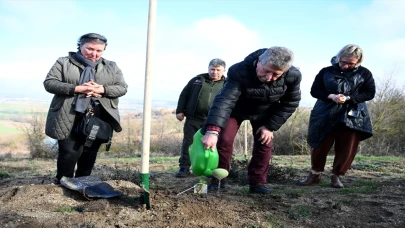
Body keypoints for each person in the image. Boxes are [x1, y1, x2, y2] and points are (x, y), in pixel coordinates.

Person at [201, 47, 302, 194]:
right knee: (224, 139)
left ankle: (258, 182)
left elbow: (291, 103)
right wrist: (212, 131)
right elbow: (225, 100)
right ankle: (218, 179)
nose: (269, 77)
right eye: (266, 71)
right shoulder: (239, 70)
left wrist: (270, 126)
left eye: (276, 74)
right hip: (236, 109)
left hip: (265, 111)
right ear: (259, 61)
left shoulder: (293, 76)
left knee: (264, 142)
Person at [44, 33, 128, 183]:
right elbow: (50, 83)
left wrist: (102, 90)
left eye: (99, 51)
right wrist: (77, 88)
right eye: (90, 49)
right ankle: (64, 183)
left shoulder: (111, 66)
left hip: (99, 116)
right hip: (68, 115)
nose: (94, 54)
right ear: (80, 46)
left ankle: (83, 184)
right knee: (69, 152)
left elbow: (122, 88)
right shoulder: (64, 62)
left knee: (89, 153)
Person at [299, 44, 375, 188]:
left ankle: (337, 176)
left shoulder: (365, 73)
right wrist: (331, 96)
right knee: (319, 144)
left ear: (358, 62)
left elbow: (369, 93)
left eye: (350, 63)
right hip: (325, 112)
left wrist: (348, 98)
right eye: (343, 62)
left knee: (347, 146)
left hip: (352, 114)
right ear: (338, 58)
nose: (345, 66)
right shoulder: (326, 71)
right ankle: (315, 174)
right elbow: (315, 91)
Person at [175, 59, 227, 177]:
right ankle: (184, 167)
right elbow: (184, 95)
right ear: (208, 69)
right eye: (212, 69)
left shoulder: (227, 84)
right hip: (194, 118)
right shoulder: (197, 80)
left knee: (216, 144)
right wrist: (180, 111)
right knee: (188, 142)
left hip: (216, 120)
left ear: (224, 70)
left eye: (218, 70)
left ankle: (212, 168)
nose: (214, 72)